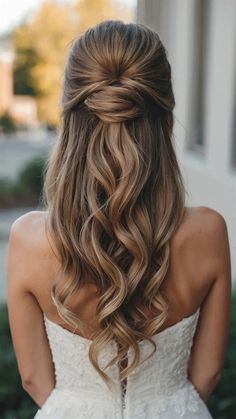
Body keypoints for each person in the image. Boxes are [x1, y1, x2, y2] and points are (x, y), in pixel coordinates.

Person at [7, 20, 232, 419]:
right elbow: (209, 372)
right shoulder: (209, 231)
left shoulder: (29, 239)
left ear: (71, 114)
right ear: (165, 113)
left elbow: (33, 379)